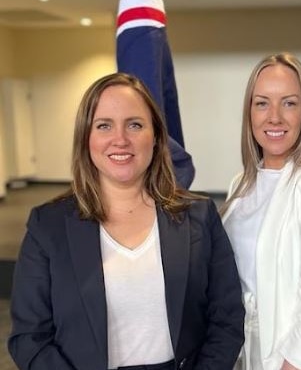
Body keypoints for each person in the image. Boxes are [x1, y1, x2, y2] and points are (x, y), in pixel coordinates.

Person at [8, 72, 245, 370]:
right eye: (104, 125)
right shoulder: (48, 226)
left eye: (134, 124)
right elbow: (30, 338)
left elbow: (227, 318)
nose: (120, 139)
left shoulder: (199, 216)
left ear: (157, 136)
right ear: (86, 137)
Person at [220, 52, 301, 370]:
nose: (274, 117)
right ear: (249, 112)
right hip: (252, 357)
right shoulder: (241, 186)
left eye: (289, 103)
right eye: (262, 103)